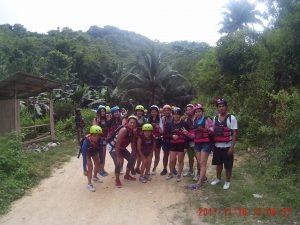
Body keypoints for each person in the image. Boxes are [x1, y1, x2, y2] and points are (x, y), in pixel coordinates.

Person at [211, 98, 238, 190]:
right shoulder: (214, 118)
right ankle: (218, 179)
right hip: (217, 146)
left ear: (226, 107)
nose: (221, 108)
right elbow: (213, 131)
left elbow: (234, 133)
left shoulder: (231, 118)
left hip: (227, 146)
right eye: (219, 106)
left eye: (223, 106)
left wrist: (232, 147)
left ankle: (227, 181)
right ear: (217, 108)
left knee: (228, 166)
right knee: (218, 164)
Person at [107, 115, 138, 188]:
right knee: (119, 163)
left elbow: (133, 143)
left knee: (132, 158)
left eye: (134, 123)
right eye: (131, 122)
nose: (132, 124)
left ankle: (127, 175)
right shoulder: (124, 130)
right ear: (128, 122)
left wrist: (133, 152)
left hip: (121, 147)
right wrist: (118, 156)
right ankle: (117, 179)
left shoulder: (133, 132)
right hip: (113, 147)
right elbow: (117, 143)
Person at [187, 104, 213, 190]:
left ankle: (199, 183)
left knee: (202, 162)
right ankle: (204, 178)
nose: (198, 113)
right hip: (197, 143)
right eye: (196, 112)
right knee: (199, 162)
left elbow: (212, 130)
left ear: (202, 112)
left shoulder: (207, 119)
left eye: (199, 111)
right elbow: (194, 134)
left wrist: (209, 129)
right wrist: (187, 133)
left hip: (206, 143)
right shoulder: (195, 121)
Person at [165, 107, 188, 181]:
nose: (176, 116)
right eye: (174, 114)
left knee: (180, 160)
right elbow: (166, 134)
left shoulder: (184, 123)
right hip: (172, 144)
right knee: (172, 160)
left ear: (180, 115)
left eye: (178, 114)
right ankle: (171, 173)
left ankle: (179, 174)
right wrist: (172, 136)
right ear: (172, 115)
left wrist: (186, 146)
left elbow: (187, 135)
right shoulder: (169, 123)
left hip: (181, 144)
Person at [81, 125, 103, 192]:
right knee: (90, 167)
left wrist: (101, 161)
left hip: (94, 152)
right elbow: (84, 157)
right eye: (95, 135)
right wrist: (84, 169)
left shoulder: (99, 140)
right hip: (87, 154)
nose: (97, 137)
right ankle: (89, 184)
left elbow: (101, 151)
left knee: (97, 164)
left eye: (98, 135)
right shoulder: (86, 142)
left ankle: (95, 177)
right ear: (91, 135)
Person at [182, 104, 199, 180]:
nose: (188, 111)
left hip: (197, 141)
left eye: (190, 109)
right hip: (189, 141)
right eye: (187, 110)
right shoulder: (185, 120)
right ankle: (191, 171)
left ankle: (198, 174)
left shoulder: (198, 118)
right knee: (190, 158)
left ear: (193, 110)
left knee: (198, 158)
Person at [93, 105, 109, 176]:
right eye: (101, 111)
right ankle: (99, 170)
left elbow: (109, 128)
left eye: (104, 111)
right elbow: (94, 130)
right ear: (99, 112)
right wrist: (98, 122)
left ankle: (102, 169)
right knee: (99, 155)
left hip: (104, 140)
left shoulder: (106, 119)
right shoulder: (95, 119)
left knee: (103, 155)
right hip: (98, 140)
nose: (103, 112)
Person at [148, 105, 163, 175]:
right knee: (150, 155)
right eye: (152, 112)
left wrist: (159, 127)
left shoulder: (160, 119)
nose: (153, 113)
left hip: (158, 139)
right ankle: (148, 169)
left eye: (155, 112)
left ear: (157, 112)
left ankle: (154, 168)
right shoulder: (148, 119)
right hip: (150, 139)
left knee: (157, 154)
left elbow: (162, 131)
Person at [160, 104, 174, 176]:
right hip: (165, 139)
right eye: (165, 110)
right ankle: (165, 168)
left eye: (168, 110)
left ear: (170, 111)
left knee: (173, 156)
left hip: (173, 139)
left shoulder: (174, 118)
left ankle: (173, 168)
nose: (166, 111)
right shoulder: (162, 119)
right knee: (165, 155)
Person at [133, 105, 147, 174]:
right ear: (136, 112)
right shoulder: (133, 119)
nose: (140, 112)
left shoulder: (145, 120)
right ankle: (131, 168)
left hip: (142, 139)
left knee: (140, 154)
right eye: (138, 111)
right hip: (134, 139)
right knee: (134, 154)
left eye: (141, 111)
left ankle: (137, 168)